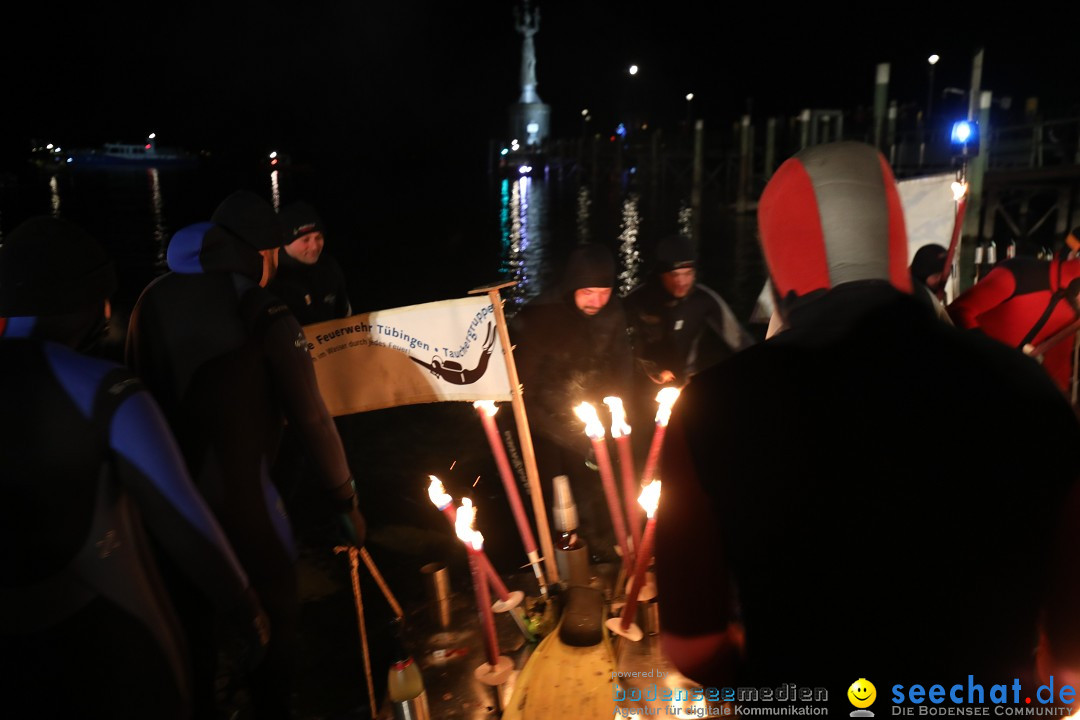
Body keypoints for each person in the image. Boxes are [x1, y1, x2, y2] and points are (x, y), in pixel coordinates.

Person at [654, 142, 1080, 713]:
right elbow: (1070, 661)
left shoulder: (712, 404)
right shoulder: (1033, 394)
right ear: (892, 240)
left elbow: (693, 645)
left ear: (779, 261)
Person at [0, 216, 268, 720]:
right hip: (107, 653)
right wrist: (244, 604)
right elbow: (184, 522)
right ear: (91, 299)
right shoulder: (106, 389)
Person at [126, 190, 366, 719]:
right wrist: (345, 500)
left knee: (193, 642)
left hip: (169, 518)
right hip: (247, 509)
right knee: (275, 633)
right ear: (263, 253)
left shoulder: (149, 301)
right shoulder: (264, 308)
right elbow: (312, 418)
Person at [509, 242, 634, 560]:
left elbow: (621, 364)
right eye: (588, 292)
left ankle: (602, 551)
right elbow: (525, 394)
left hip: (589, 412)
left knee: (596, 486)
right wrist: (572, 438)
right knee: (548, 494)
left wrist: (617, 410)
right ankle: (550, 558)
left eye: (604, 291)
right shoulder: (538, 317)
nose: (598, 301)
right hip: (543, 418)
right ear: (572, 287)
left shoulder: (613, 312)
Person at [948, 242, 1080, 399]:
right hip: (960, 370)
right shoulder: (1021, 273)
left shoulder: (1073, 309)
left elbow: (1057, 366)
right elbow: (959, 309)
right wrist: (988, 352)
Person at [624, 234, 755, 388]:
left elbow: (739, 340)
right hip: (641, 384)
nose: (681, 282)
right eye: (674, 275)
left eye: (687, 274)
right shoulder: (638, 299)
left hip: (684, 385)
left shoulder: (704, 300)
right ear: (661, 274)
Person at [267, 200, 352, 326]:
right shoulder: (271, 276)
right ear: (285, 242)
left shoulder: (329, 267)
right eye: (305, 240)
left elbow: (345, 315)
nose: (314, 247)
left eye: (318, 237)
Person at [908, 242, 953, 324]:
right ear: (921, 274)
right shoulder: (910, 299)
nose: (942, 280)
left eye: (946, 276)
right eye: (936, 276)